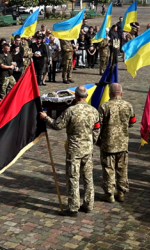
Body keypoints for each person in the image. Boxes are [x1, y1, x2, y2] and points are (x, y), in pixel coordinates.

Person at [39, 86, 101, 216]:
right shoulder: (94, 111)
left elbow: (57, 125)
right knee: (88, 177)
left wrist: (45, 118)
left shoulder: (71, 111)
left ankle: (73, 207)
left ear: (76, 97)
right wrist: (92, 142)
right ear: (86, 96)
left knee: (73, 177)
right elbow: (96, 129)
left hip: (74, 150)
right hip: (88, 149)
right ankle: (89, 204)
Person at [97, 83, 135, 203]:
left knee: (109, 169)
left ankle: (109, 194)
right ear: (121, 93)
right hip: (123, 142)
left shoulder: (104, 106)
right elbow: (132, 121)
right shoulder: (128, 105)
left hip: (108, 143)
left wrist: (97, 139)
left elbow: (98, 125)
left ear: (110, 93)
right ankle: (121, 192)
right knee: (122, 168)